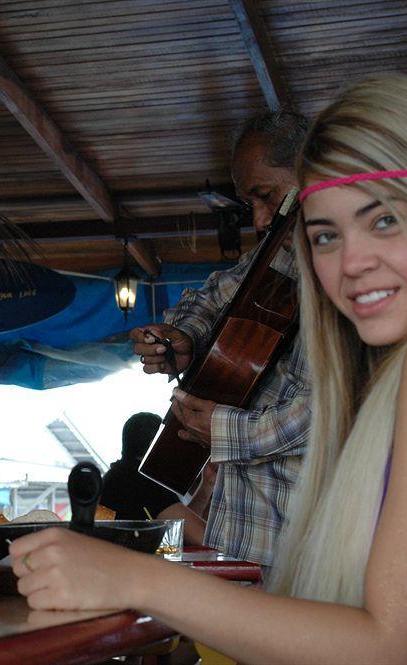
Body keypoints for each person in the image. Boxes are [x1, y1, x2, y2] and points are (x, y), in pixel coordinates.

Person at [11, 74, 407, 664]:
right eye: (324, 234)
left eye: (385, 220)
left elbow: (393, 648)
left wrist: (130, 578)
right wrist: (181, 339)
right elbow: (212, 297)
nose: (352, 263)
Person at [130, 110, 311, 567]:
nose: (259, 219)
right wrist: (182, 337)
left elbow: (337, 408)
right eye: (249, 203)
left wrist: (228, 430)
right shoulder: (273, 261)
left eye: (265, 196)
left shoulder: (350, 274)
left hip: (301, 548)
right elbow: (207, 298)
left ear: (314, 170)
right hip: (241, 539)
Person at [100, 412, 179, 521]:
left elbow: (182, 525)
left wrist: (205, 487)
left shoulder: (115, 476)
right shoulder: (146, 483)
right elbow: (194, 532)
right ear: (155, 443)